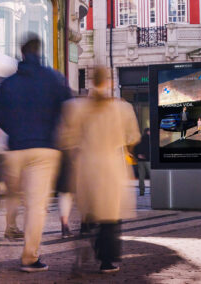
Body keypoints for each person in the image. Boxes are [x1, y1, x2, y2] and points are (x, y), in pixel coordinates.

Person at [0, 34, 71, 272]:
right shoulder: (54, 79)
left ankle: (11, 225)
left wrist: (17, 131)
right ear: (41, 52)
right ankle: (29, 257)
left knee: (15, 195)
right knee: (37, 206)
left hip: (15, 149)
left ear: (22, 53)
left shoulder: (8, 83)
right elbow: (68, 111)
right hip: (44, 150)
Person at [59, 66, 140, 273]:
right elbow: (133, 137)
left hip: (86, 165)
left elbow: (66, 139)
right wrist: (126, 150)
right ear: (110, 82)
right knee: (110, 216)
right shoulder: (122, 108)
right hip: (111, 167)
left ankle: (86, 239)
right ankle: (107, 260)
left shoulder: (76, 107)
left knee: (89, 211)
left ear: (90, 82)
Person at [134, 128, 150, 196]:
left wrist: (138, 156)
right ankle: (156, 190)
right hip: (148, 161)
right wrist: (146, 156)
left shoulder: (140, 140)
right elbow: (149, 149)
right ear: (148, 132)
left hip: (140, 161)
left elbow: (136, 148)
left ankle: (141, 192)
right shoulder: (150, 140)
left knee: (141, 177)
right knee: (152, 175)